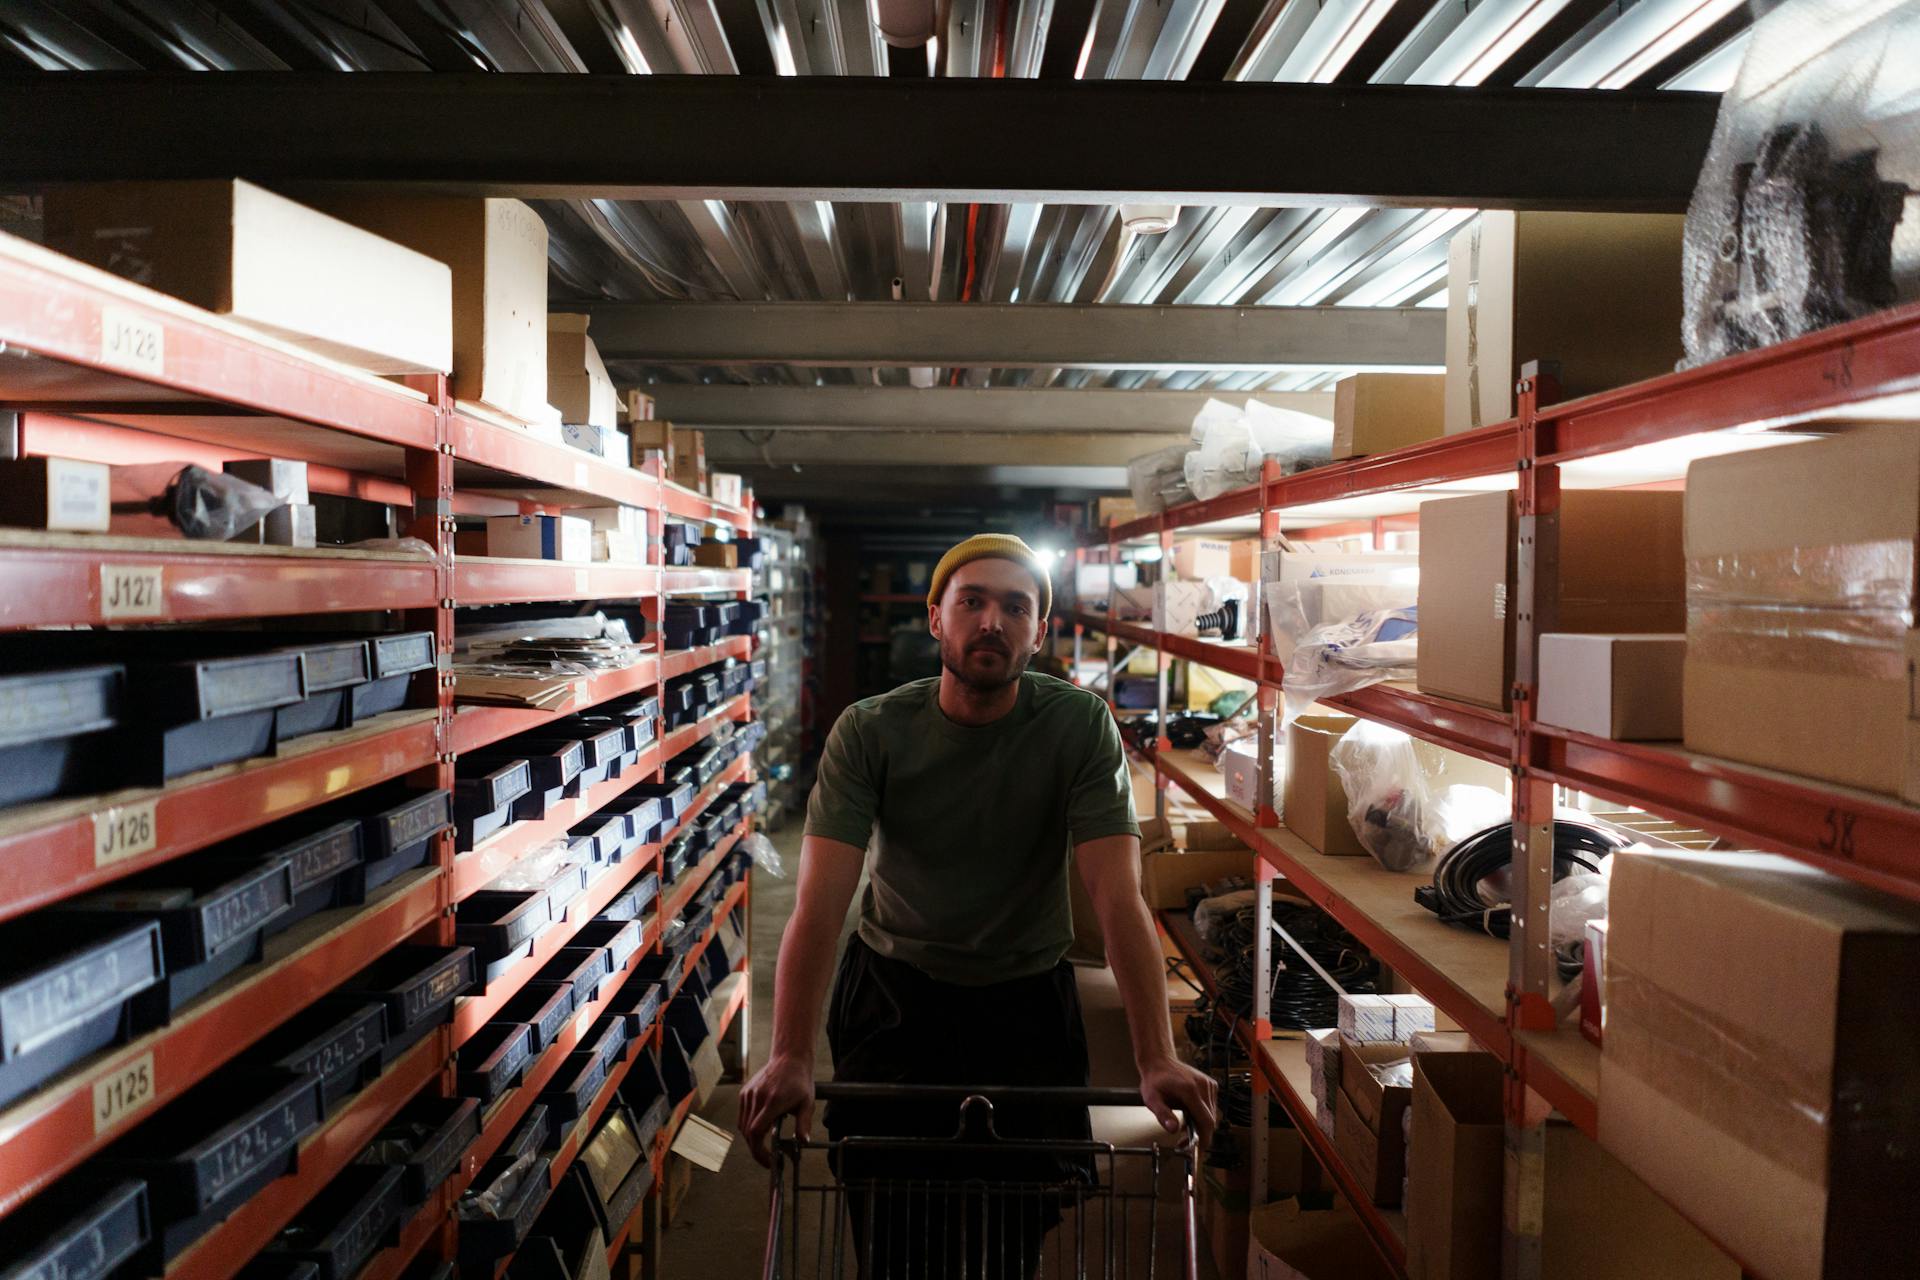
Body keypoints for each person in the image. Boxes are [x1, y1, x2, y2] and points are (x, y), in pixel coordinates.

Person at [739, 533, 1217, 1277]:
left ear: (1039, 631)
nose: (992, 620)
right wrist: (791, 1053)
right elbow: (819, 905)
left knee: (1007, 1244)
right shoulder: (871, 731)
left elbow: (1117, 897)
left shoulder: (1078, 727)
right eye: (972, 601)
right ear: (936, 619)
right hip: (895, 1000)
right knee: (895, 1239)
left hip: (1025, 1005)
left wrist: (1156, 1054)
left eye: (1015, 607)